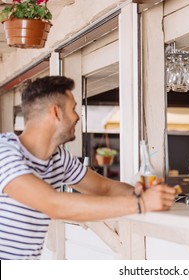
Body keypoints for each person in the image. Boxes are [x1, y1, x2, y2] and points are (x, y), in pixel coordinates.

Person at [0, 76, 176, 260]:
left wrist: (139, 193)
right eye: (73, 108)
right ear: (56, 113)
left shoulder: (58, 158)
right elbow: (54, 205)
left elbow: (104, 188)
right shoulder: (5, 153)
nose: (77, 117)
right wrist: (141, 204)